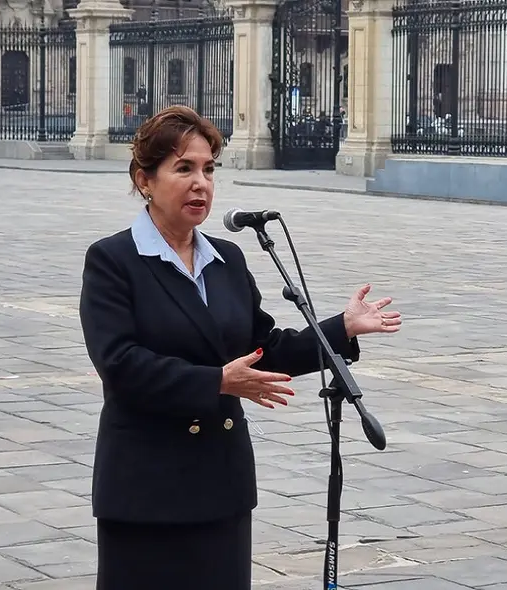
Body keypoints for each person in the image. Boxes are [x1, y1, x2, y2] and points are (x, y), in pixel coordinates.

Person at [79, 105, 402, 590]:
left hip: (220, 482)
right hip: (146, 487)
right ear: (144, 180)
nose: (201, 184)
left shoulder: (227, 258)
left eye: (209, 170)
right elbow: (120, 365)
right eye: (184, 169)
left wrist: (342, 328)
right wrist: (217, 382)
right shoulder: (113, 260)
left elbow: (262, 348)